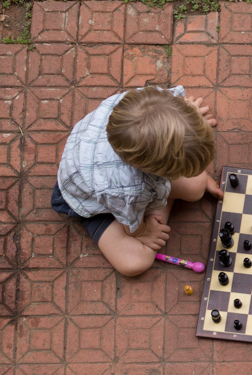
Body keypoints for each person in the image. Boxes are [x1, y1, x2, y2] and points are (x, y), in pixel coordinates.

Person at [51, 86, 223, 276]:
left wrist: (188, 115)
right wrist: (144, 230)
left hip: (108, 166)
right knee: (134, 263)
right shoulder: (126, 189)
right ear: (153, 171)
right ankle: (151, 204)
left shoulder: (145, 102)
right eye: (180, 171)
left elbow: (169, 108)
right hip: (87, 197)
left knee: (195, 187)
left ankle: (155, 200)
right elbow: (131, 227)